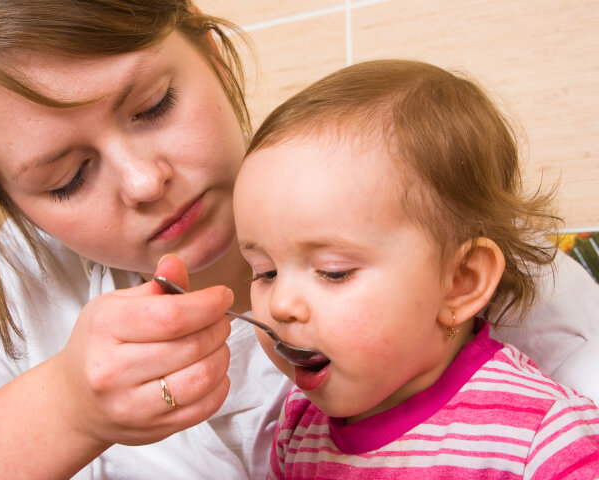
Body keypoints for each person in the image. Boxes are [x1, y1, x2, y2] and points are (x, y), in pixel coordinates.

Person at [0, 1, 596, 478]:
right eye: (66, 178)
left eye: (154, 105)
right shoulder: (19, 276)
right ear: (16, 204)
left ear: (214, 56)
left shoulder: (453, 241)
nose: (143, 182)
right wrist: (65, 409)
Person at [233, 59, 599, 479]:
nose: (279, 305)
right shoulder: (299, 427)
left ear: (461, 282)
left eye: (334, 272)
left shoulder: (541, 439)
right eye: (265, 272)